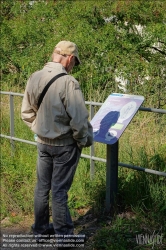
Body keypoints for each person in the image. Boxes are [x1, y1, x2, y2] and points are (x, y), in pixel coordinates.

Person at [21, 41, 93, 247]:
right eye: (74, 62)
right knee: (60, 191)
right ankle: (65, 238)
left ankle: (41, 232)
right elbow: (79, 120)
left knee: (42, 188)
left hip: (42, 143)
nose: (73, 66)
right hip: (65, 146)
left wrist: (40, 130)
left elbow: (26, 112)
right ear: (69, 58)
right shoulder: (69, 82)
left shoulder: (35, 77)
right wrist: (81, 141)